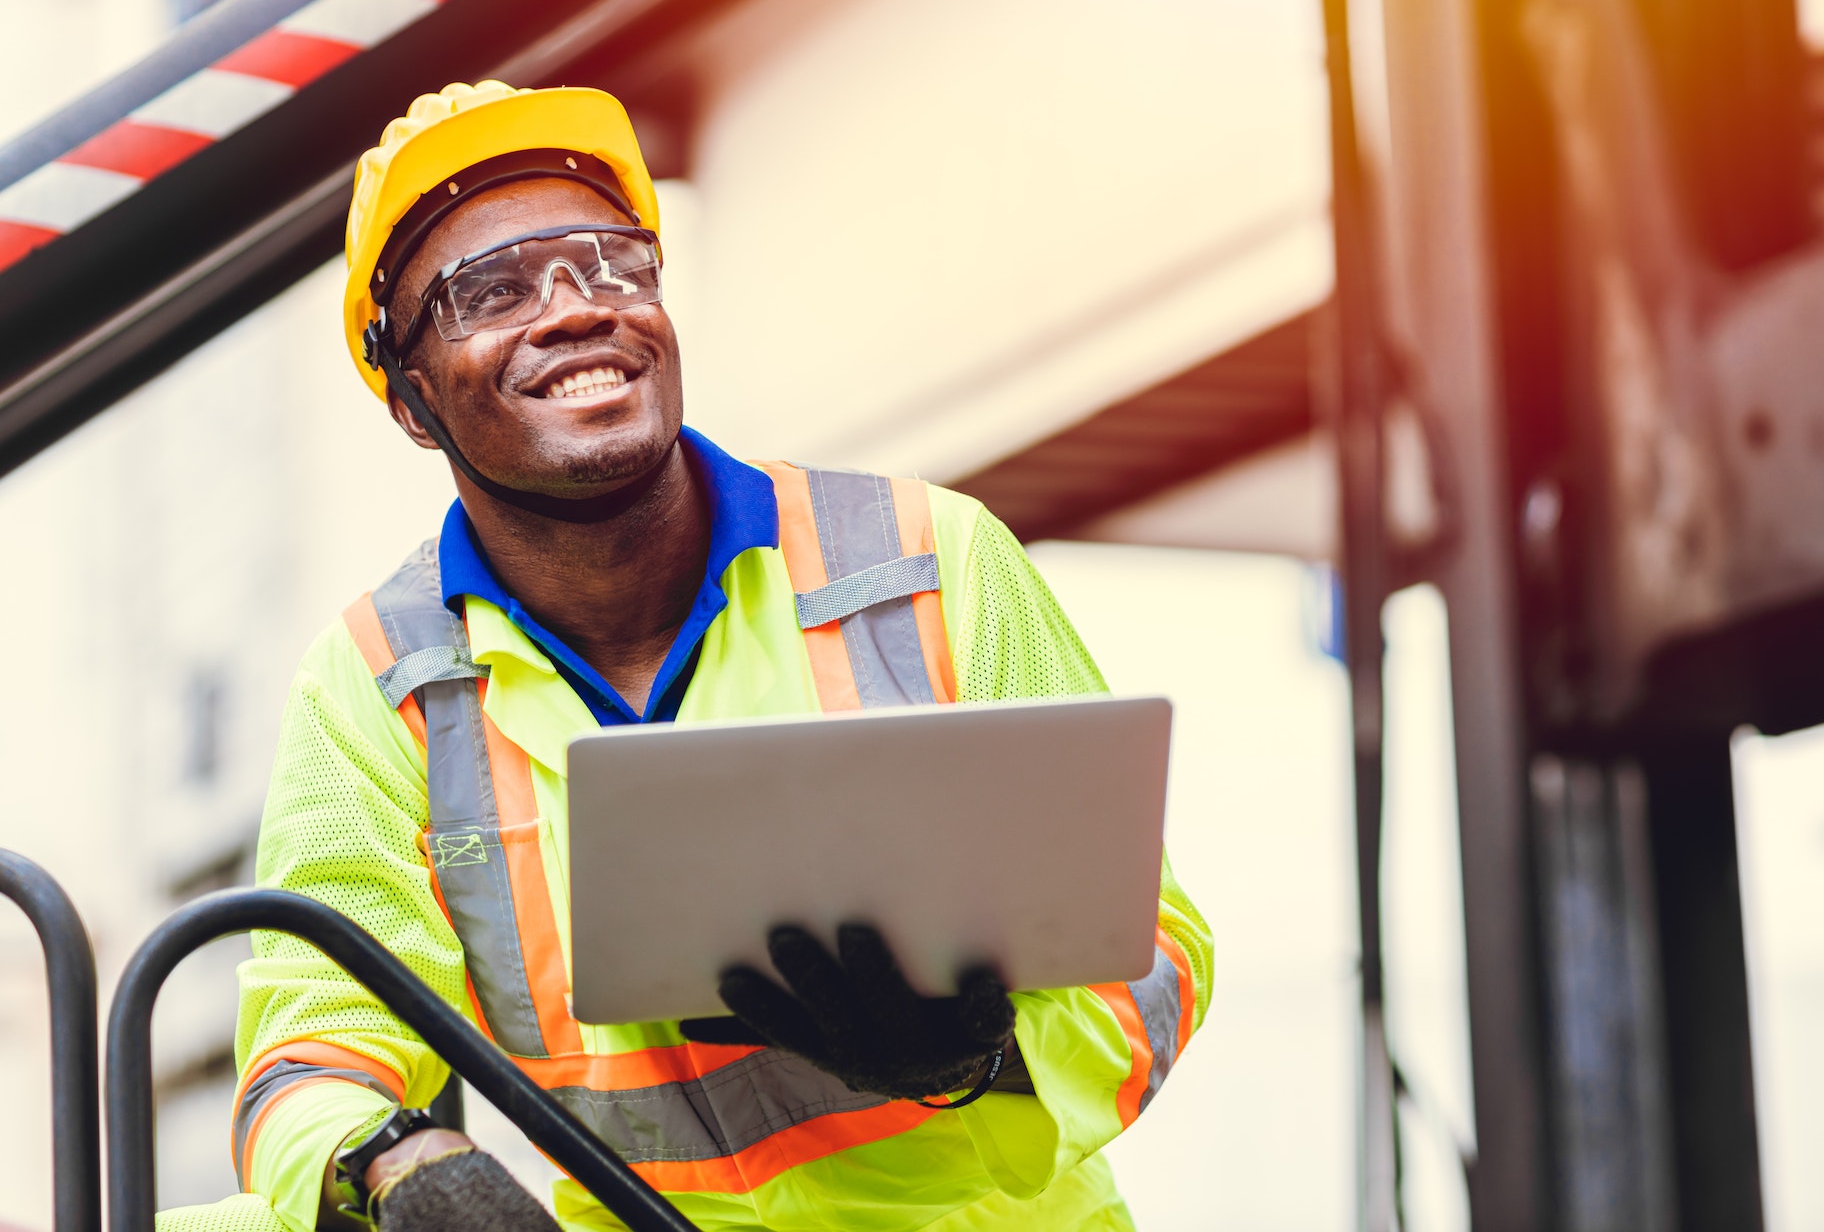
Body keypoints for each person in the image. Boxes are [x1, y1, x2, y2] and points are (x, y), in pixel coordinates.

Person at [225, 81, 1212, 1232]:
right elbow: (308, 1055)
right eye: (489, 290)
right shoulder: (381, 684)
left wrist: (978, 1049)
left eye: (609, 265)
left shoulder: (925, 558)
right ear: (411, 398)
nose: (573, 310)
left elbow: (1152, 953)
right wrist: (397, 1164)